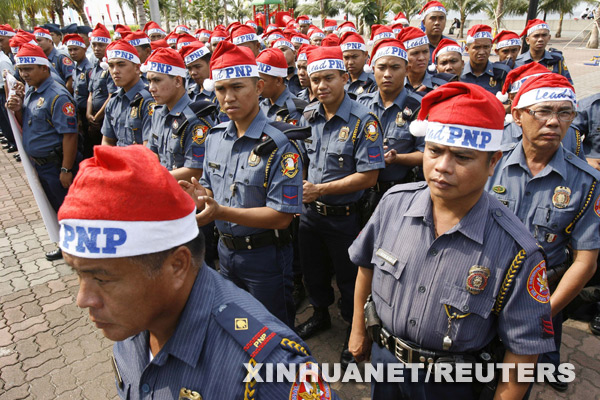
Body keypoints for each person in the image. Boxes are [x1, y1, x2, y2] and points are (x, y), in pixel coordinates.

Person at [58, 144, 338, 400]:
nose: (83, 300)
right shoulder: (132, 320)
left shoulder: (266, 368)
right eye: (78, 274)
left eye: (102, 278)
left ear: (177, 266)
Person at [348, 82, 555, 399]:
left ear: (492, 163)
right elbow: (367, 267)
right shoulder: (393, 203)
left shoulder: (518, 251)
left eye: (461, 156)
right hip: (386, 364)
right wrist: (358, 330)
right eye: (434, 151)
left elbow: (523, 351)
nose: (442, 167)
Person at [486, 73, 600, 392]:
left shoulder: (586, 183)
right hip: (485, 284)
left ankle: (548, 362)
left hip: (543, 294)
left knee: (522, 377)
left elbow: (585, 260)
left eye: (564, 113)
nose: (553, 122)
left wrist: (542, 312)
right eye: (543, 111)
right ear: (518, 116)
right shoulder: (490, 163)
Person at [185, 41, 304, 329]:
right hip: (227, 254)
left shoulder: (279, 145)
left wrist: (220, 212)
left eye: (238, 87)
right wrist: (202, 197)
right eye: (221, 89)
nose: (228, 97)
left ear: (259, 87)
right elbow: (212, 190)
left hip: (266, 259)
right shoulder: (214, 138)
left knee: (274, 334)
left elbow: (282, 216)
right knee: (239, 330)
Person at [295, 45, 385, 368]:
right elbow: (302, 159)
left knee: (349, 282)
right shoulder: (309, 115)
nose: (320, 86)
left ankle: (352, 331)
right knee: (313, 273)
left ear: (345, 78)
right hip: (310, 216)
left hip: (344, 220)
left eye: (328, 78)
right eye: (315, 79)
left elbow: (368, 176)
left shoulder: (364, 121)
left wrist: (319, 189)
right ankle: (320, 314)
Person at [6, 43, 81, 261]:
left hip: (57, 163)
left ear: (44, 68)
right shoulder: (32, 91)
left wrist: (66, 168)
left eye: (29, 69)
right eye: (21, 70)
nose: (24, 74)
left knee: (68, 208)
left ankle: (77, 249)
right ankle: (66, 245)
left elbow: (70, 135)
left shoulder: (57, 96)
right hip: (43, 164)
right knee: (56, 207)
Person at [358, 38, 424, 202]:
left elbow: (427, 153)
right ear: (373, 70)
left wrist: (397, 158)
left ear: (407, 70)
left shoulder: (419, 106)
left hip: (401, 194)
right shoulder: (361, 103)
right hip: (361, 194)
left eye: (395, 67)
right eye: (382, 67)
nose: (387, 74)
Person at [145, 48, 214, 182]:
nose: (151, 88)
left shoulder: (195, 120)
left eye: (157, 80)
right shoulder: (158, 113)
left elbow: (195, 170)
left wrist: (156, 178)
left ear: (177, 81)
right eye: (149, 81)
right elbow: (152, 151)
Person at [101, 40, 154, 147]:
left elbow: (148, 148)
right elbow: (107, 141)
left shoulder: (148, 100)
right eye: (111, 66)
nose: (115, 71)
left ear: (137, 68)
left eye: (121, 65)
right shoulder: (113, 101)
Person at [86, 23, 117, 159]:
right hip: (93, 118)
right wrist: (88, 113)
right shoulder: (95, 68)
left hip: (103, 118)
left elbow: (111, 96)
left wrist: (97, 117)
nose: (97, 48)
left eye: (101, 45)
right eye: (94, 45)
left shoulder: (111, 69)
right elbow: (91, 93)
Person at [257, 48, 307, 125]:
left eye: (262, 81)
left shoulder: (294, 109)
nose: (258, 86)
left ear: (278, 81)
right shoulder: (262, 104)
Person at [515, 19, 573, 84]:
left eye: (544, 35)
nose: (540, 39)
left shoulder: (557, 60)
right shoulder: (518, 62)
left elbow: (568, 85)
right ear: (527, 40)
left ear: (549, 38)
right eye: (536, 36)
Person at [461, 25, 511, 95]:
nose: (482, 52)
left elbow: (512, 100)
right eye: (477, 47)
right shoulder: (458, 73)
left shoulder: (502, 72)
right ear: (467, 49)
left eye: (486, 47)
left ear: (491, 47)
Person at [64, 33, 92, 151]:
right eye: (70, 50)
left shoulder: (88, 69)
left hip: (88, 112)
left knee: (90, 144)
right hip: (79, 112)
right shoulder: (75, 68)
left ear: (84, 49)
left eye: (76, 49)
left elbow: (92, 93)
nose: (72, 53)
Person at [34, 27, 74, 94]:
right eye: (35, 41)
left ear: (49, 41)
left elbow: (71, 79)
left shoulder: (61, 57)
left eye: (39, 40)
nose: (37, 44)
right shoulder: (41, 59)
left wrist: (62, 95)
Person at [397, 27, 435, 93]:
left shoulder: (439, 85)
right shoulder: (394, 86)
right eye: (415, 53)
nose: (422, 58)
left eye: (425, 52)